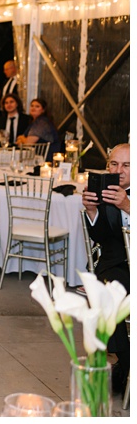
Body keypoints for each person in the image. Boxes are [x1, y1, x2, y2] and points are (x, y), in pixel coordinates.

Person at [80, 143, 129, 394]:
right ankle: (128, 364)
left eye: (127, 165)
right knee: (109, 293)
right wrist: (91, 211)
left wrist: (128, 206)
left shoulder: (123, 196)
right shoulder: (105, 190)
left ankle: (124, 369)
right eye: (114, 164)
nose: (119, 171)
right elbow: (102, 237)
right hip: (117, 265)